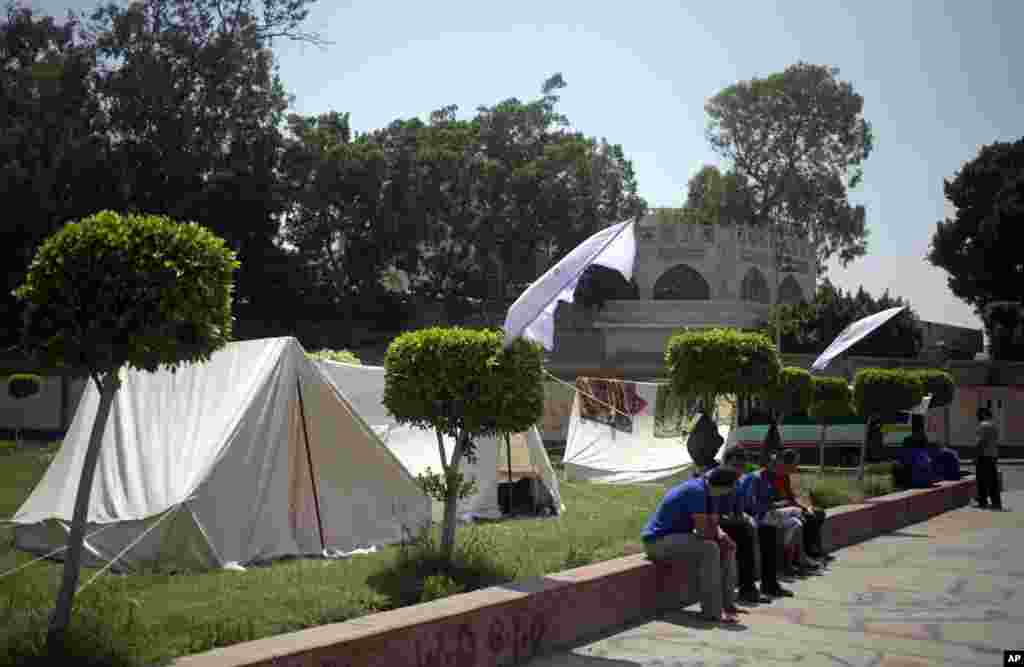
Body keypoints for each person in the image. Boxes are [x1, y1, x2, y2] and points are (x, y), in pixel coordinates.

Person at [642, 466, 742, 623]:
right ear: (725, 486)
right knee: (710, 549)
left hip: (678, 538)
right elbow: (703, 531)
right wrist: (719, 539)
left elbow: (713, 525)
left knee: (728, 547)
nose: (734, 490)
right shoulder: (696, 492)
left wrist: (723, 537)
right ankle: (712, 611)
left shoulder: (711, 492)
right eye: (734, 486)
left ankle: (728, 603)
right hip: (658, 542)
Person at [717, 448, 771, 604]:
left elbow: (739, 511)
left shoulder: (739, 483)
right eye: (734, 465)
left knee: (765, 530)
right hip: (709, 522)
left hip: (727, 522)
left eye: (741, 466)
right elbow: (713, 513)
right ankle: (747, 589)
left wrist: (745, 519)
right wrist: (740, 520)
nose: (738, 470)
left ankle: (765, 584)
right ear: (725, 463)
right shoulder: (716, 479)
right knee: (743, 534)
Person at [736, 456, 795, 597]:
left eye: (779, 463)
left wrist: (775, 507)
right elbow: (750, 504)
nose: (777, 467)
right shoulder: (755, 478)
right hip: (752, 518)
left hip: (765, 516)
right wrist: (770, 508)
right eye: (774, 464)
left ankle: (771, 583)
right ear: (767, 464)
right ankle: (767, 585)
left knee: (774, 535)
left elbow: (769, 500)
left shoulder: (771, 478)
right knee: (768, 537)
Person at [773, 449, 833, 563]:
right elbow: (779, 500)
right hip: (780, 509)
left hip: (790, 506)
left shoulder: (786, 476)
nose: (796, 466)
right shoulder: (776, 476)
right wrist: (800, 508)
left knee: (819, 512)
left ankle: (816, 549)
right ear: (787, 463)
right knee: (809, 517)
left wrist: (805, 507)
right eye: (795, 463)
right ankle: (808, 552)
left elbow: (792, 496)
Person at [975, 407, 1003, 510]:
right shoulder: (994, 425)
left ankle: (982, 502)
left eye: (978, 415)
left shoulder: (982, 425)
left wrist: (976, 455)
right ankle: (996, 502)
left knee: (981, 479)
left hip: (983, 455)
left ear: (983, 414)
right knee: (993, 480)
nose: (977, 417)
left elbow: (981, 442)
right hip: (993, 455)